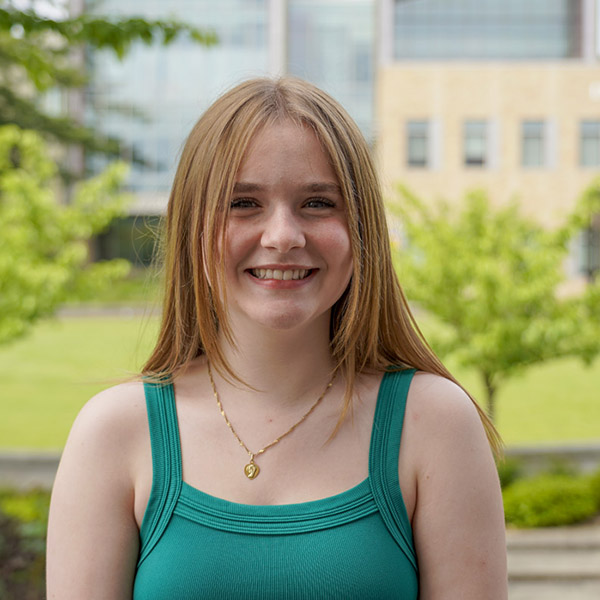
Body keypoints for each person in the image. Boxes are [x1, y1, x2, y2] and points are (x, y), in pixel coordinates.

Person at [46, 77, 508, 599]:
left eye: (317, 203)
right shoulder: (113, 434)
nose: (283, 236)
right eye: (243, 202)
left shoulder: (435, 425)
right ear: (191, 228)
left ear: (363, 229)